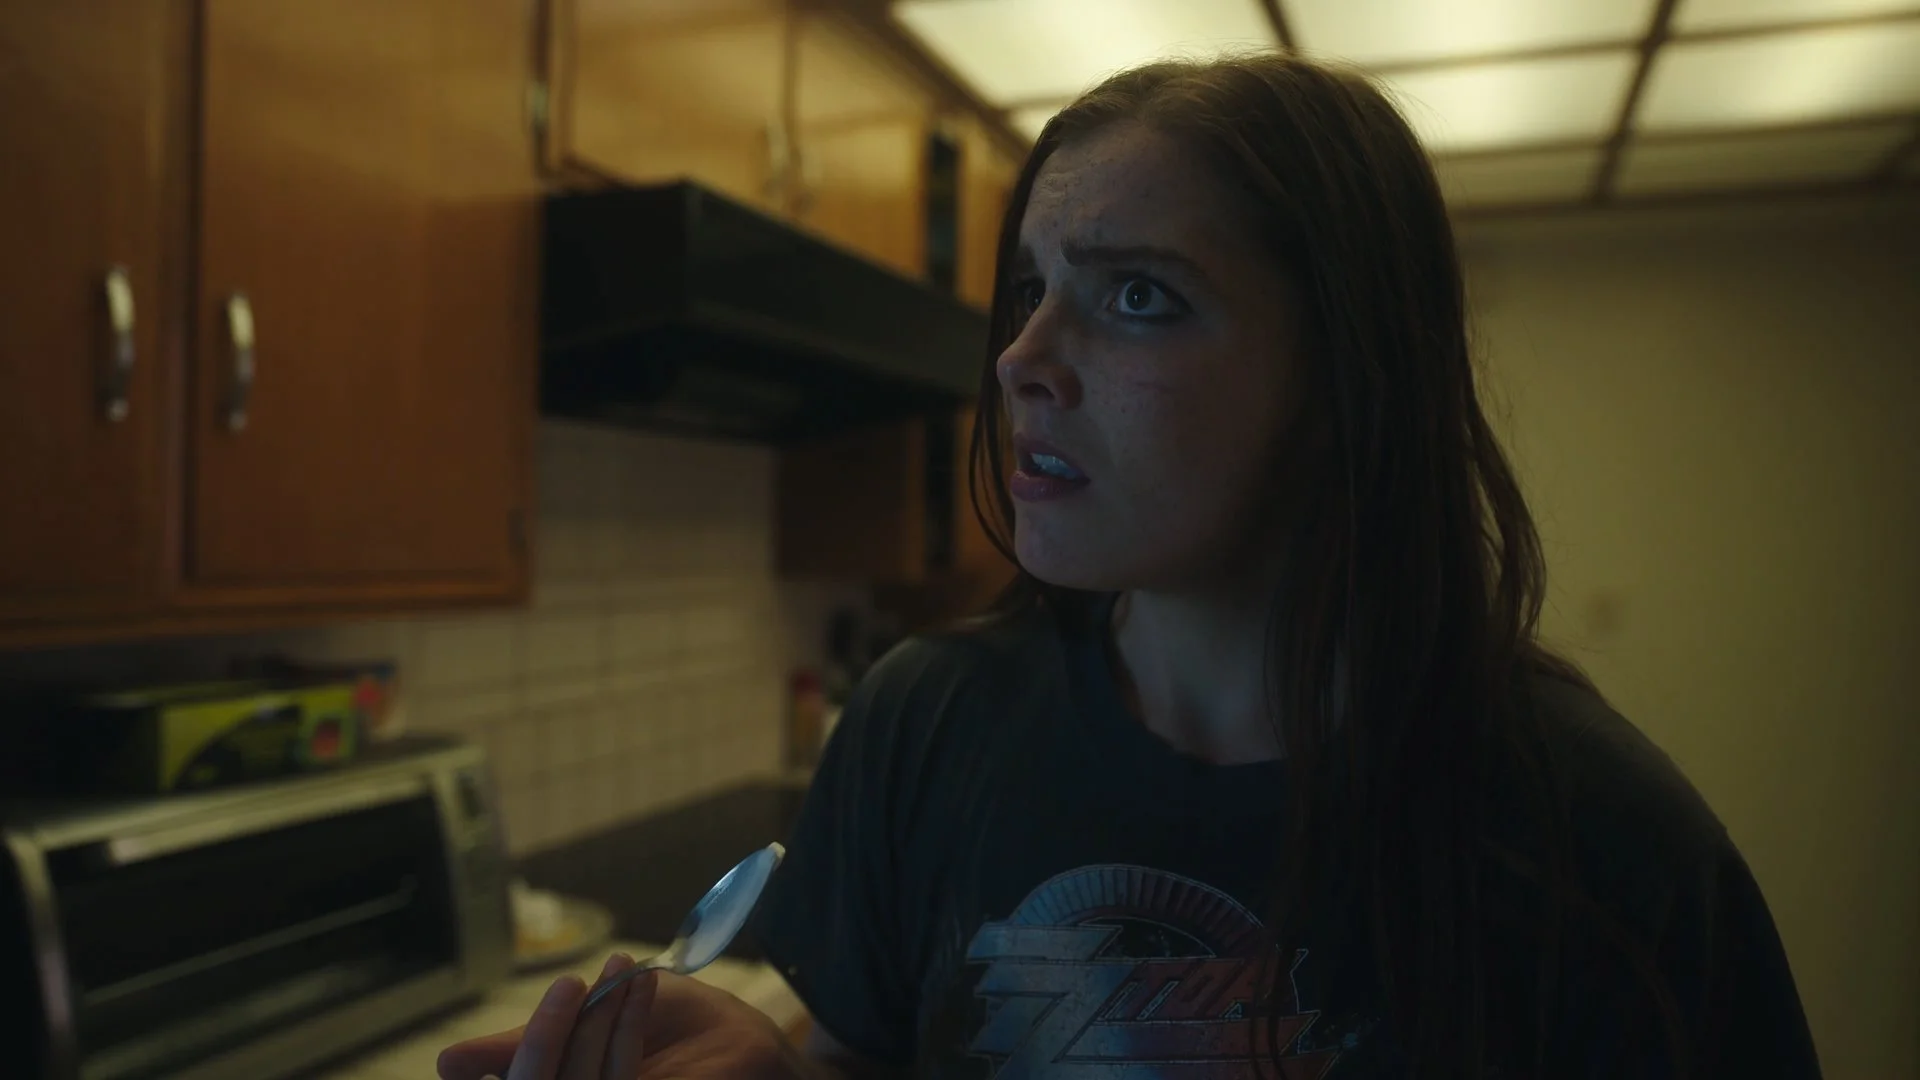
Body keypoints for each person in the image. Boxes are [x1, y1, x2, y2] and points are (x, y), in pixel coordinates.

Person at [439, 52, 1821, 1080]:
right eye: (1031, 289)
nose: (1022, 360)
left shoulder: (1608, 855)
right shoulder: (924, 723)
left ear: (1349, 376)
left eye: (1139, 295)